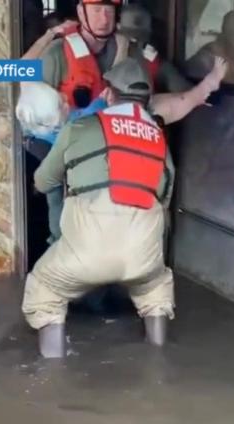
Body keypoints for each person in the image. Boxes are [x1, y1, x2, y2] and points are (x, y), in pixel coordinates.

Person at [22, 58, 176, 358]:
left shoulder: (79, 127)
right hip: (141, 257)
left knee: (44, 289)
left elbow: (43, 181)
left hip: (84, 256)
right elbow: (166, 197)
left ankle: (52, 372)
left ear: (109, 94)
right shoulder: (160, 139)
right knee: (156, 287)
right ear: (148, 99)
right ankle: (158, 356)